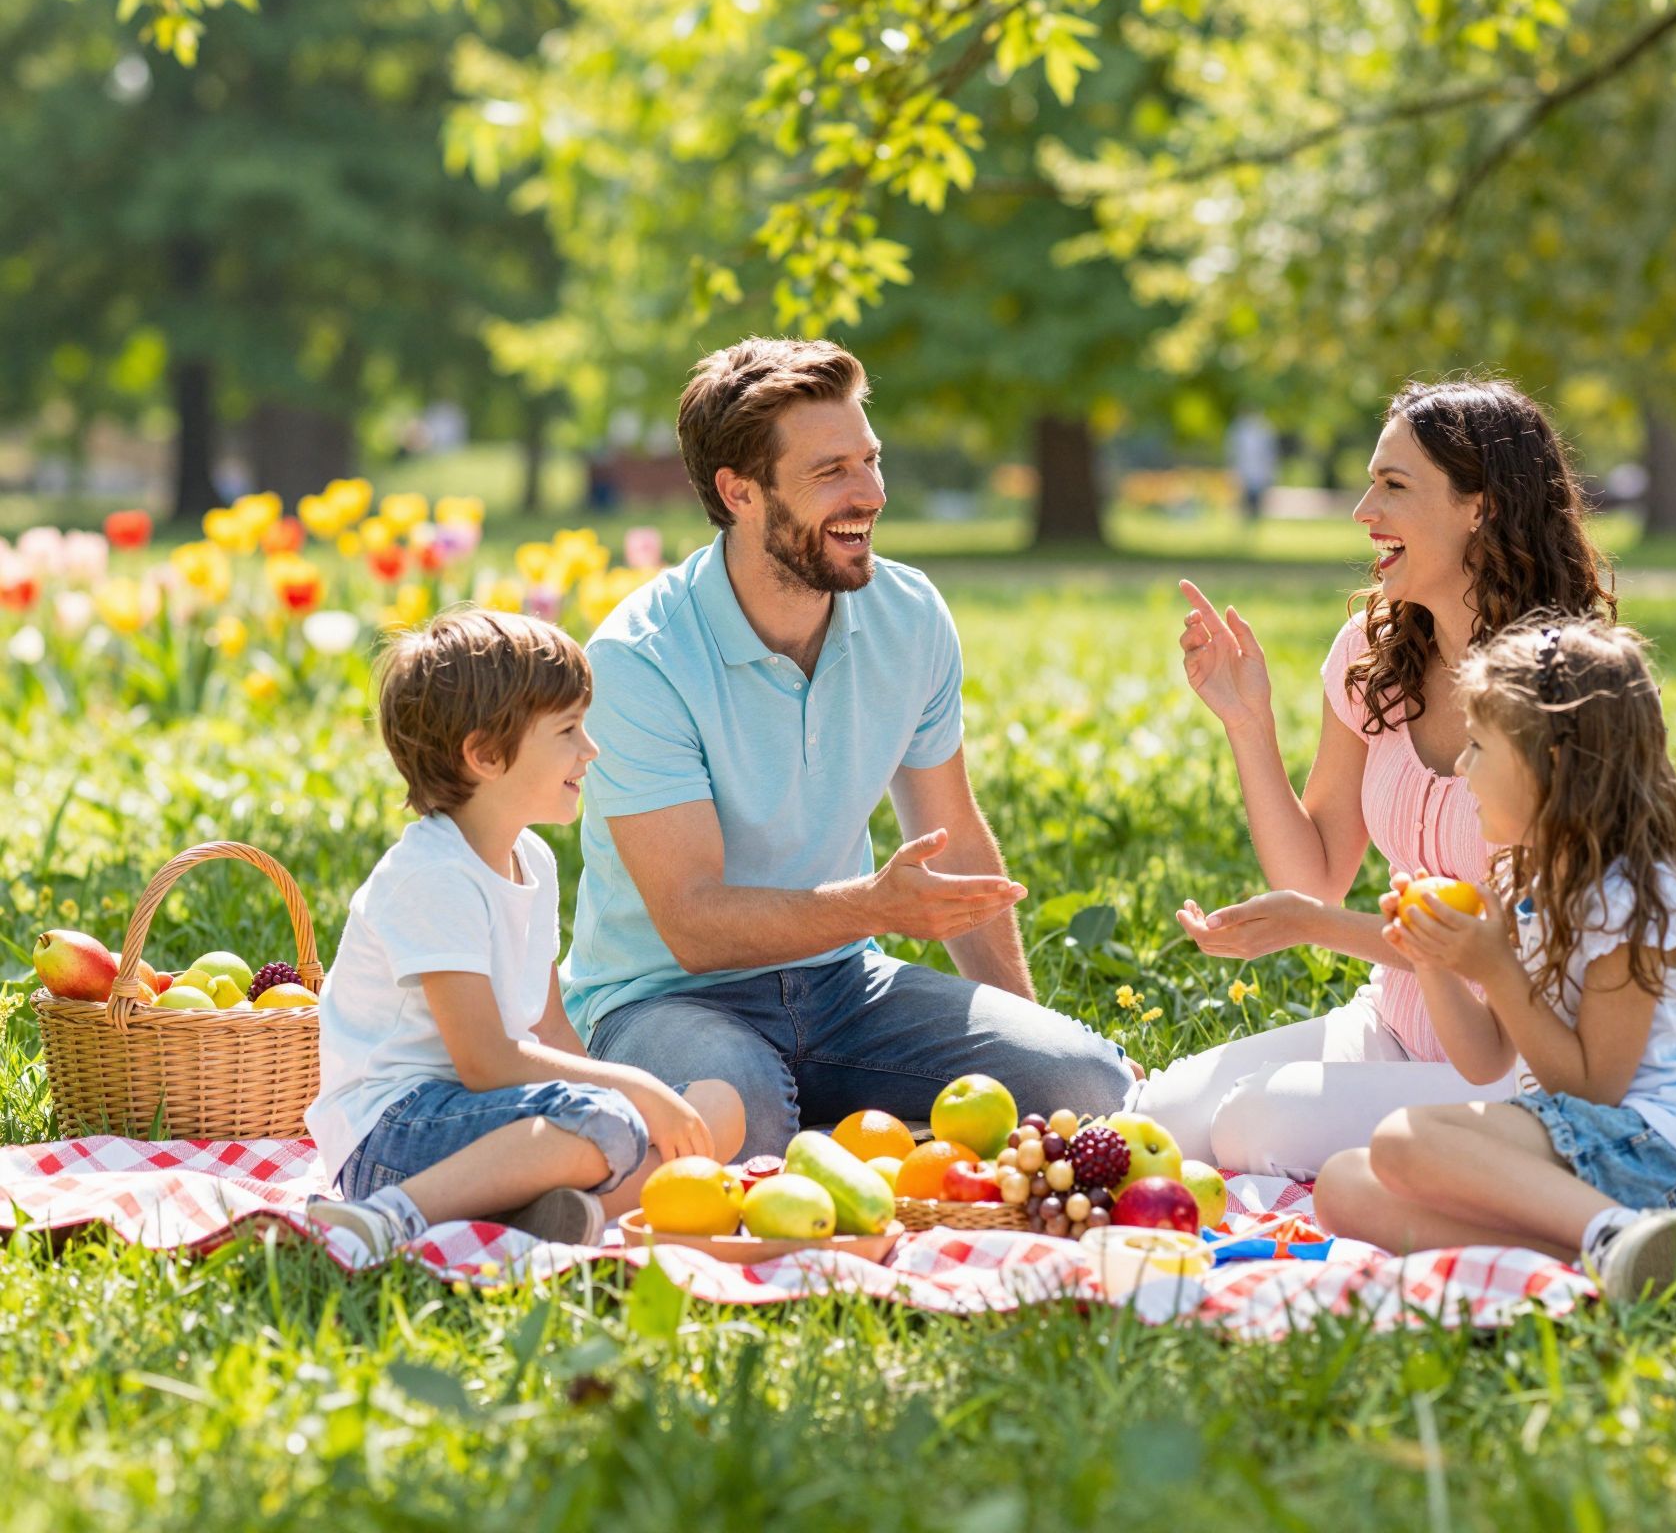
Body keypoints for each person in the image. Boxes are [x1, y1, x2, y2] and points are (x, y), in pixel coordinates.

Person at [561, 337, 1133, 1159]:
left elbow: (956, 842)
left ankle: (833, 1134)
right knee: (741, 1117)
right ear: (740, 492)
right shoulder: (639, 658)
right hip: (665, 1000)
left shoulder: (909, 615)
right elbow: (692, 924)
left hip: (842, 987)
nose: (869, 493)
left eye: (870, 459)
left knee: (1084, 1090)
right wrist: (874, 907)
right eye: (831, 472)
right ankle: (822, 1132)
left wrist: (1028, 1046)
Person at [1133, 377, 1616, 1177]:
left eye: (1393, 485)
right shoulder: (1373, 652)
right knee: (1159, 1119)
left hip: (1519, 1065)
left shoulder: (1568, 690)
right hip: (1392, 1026)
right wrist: (1248, 722)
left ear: (1482, 506)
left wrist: (1308, 925)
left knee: (1252, 1127)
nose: (1363, 510)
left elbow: (1506, 948)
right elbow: (1317, 875)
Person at [1313, 618, 1676, 1296]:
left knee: (1403, 1142)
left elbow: (1593, 1089)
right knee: (1342, 1186)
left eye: (1477, 747)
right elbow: (1486, 1060)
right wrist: (1436, 959)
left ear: (1549, 766)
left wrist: (1495, 965)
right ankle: (1634, 1253)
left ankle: (1615, 1234)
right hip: (1595, 1148)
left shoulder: (1633, 894)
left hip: (1667, 1153)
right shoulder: (1523, 879)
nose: (1461, 768)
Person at [305, 609, 744, 1259]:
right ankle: (386, 1218)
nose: (590, 750)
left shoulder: (530, 860)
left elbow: (549, 1031)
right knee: (615, 1120)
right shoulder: (432, 875)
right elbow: (486, 1061)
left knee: (718, 1107)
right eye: (568, 730)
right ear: (484, 754)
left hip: (481, 1117)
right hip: (392, 1139)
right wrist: (638, 1093)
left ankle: (549, 1212)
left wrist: (640, 1101)